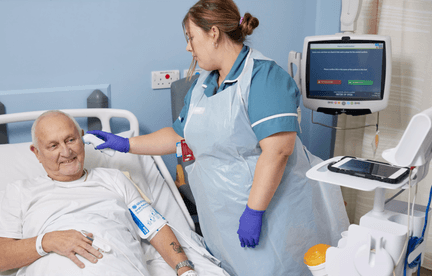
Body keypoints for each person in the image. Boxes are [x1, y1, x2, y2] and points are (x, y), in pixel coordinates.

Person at [87, 0, 349, 275]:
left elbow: (278, 151)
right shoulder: (204, 83)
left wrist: (254, 212)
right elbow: (179, 135)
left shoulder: (262, 78)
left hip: (272, 216)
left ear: (213, 33)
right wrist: (126, 144)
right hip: (223, 218)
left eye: (191, 38)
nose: (188, 47)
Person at [0, 110, 199, 276]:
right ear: (37, 153)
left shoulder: (114, 179)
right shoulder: (20, 192)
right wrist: (47, 241)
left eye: (70, 140)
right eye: (53, 146)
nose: (66, 152)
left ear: (81, 138)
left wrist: (185, 269)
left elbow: (154, 227)